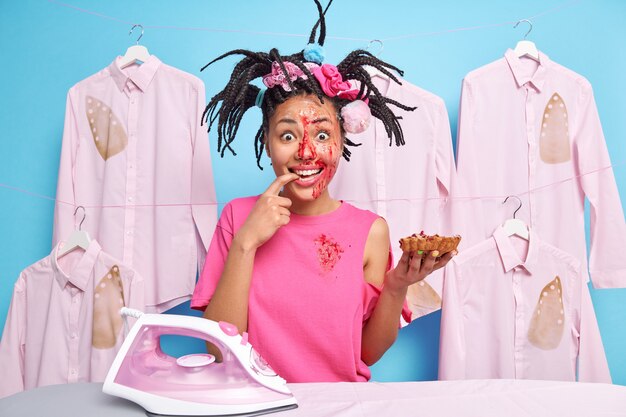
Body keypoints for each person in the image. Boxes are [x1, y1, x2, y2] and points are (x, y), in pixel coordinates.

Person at [191, 0, 455, 382]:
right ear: (266, 142)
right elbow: (219, 351)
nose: (305, 152)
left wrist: (396, 286)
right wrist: (247, 242)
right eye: (287, 135)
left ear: (343, 139)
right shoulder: (238, 216)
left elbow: (365, 353)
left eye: (321, 134)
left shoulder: (371, 230)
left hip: (341, 404)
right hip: (256, 403)